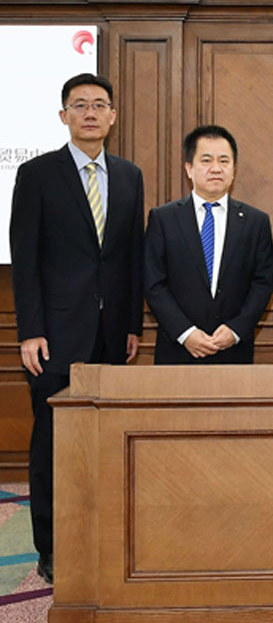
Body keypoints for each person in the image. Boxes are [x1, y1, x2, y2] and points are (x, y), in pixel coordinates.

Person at [9, 73, 144, 585]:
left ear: (113, 116)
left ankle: (103, 539)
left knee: (107, 442)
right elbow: (26, 260)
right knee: (53, 444)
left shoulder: (130, 176)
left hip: (112, 338)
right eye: (79, 105)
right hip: (55, 337)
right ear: (63, 116)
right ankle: (51, 548)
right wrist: (30, 330)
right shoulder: (37, 174)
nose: (90, 113)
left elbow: (129, 257)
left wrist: (131, 324)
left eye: (99, 105)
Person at [144, 126, 273, 364]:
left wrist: (236, 330)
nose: (216, 168)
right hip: (178, 351)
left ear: (234, 170)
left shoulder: (256, 222)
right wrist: (185, 333)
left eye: (224, 160)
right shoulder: (163, 219)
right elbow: (153, 283)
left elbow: (263, 282)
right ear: (189, 169)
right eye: (206, 160)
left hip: (234, 351)